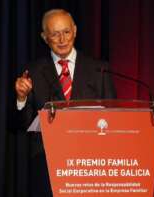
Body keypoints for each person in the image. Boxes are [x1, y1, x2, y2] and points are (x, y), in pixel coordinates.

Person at [14, 9, 116, 196]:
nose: (62, 39)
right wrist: (21, 98)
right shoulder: (33, 71)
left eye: (66, 32)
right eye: (55, 34)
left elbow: (112, 118)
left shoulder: (99, 69)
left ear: (75, 31)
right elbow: (22, 124)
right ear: (45, 37)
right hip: (47, 166)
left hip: (88, 164)